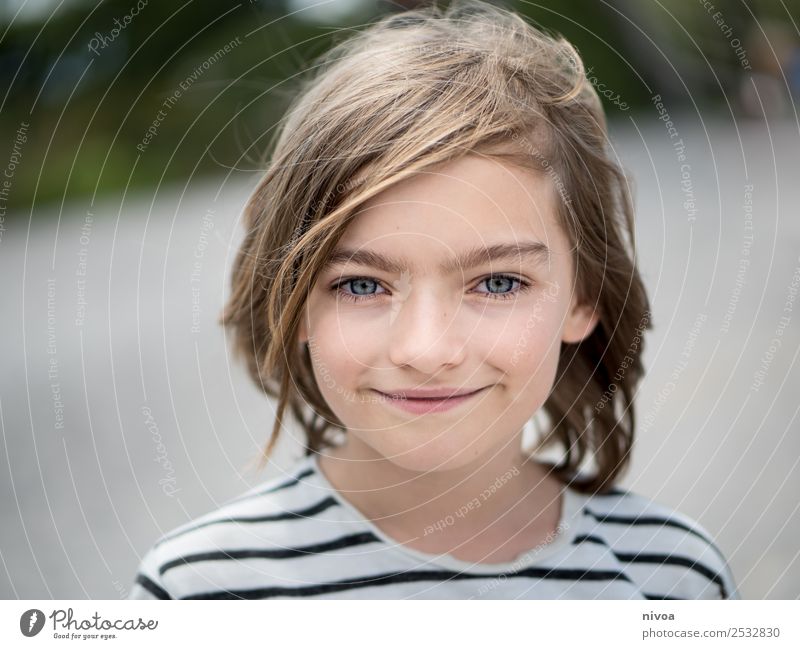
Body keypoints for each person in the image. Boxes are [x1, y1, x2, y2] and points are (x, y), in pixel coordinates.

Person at [128, 0, 739, 600]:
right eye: (361, 285)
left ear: (583, 297)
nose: (426, 350)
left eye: (498, 282)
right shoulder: (202, 590)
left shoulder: (674, 580)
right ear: (294, 303)